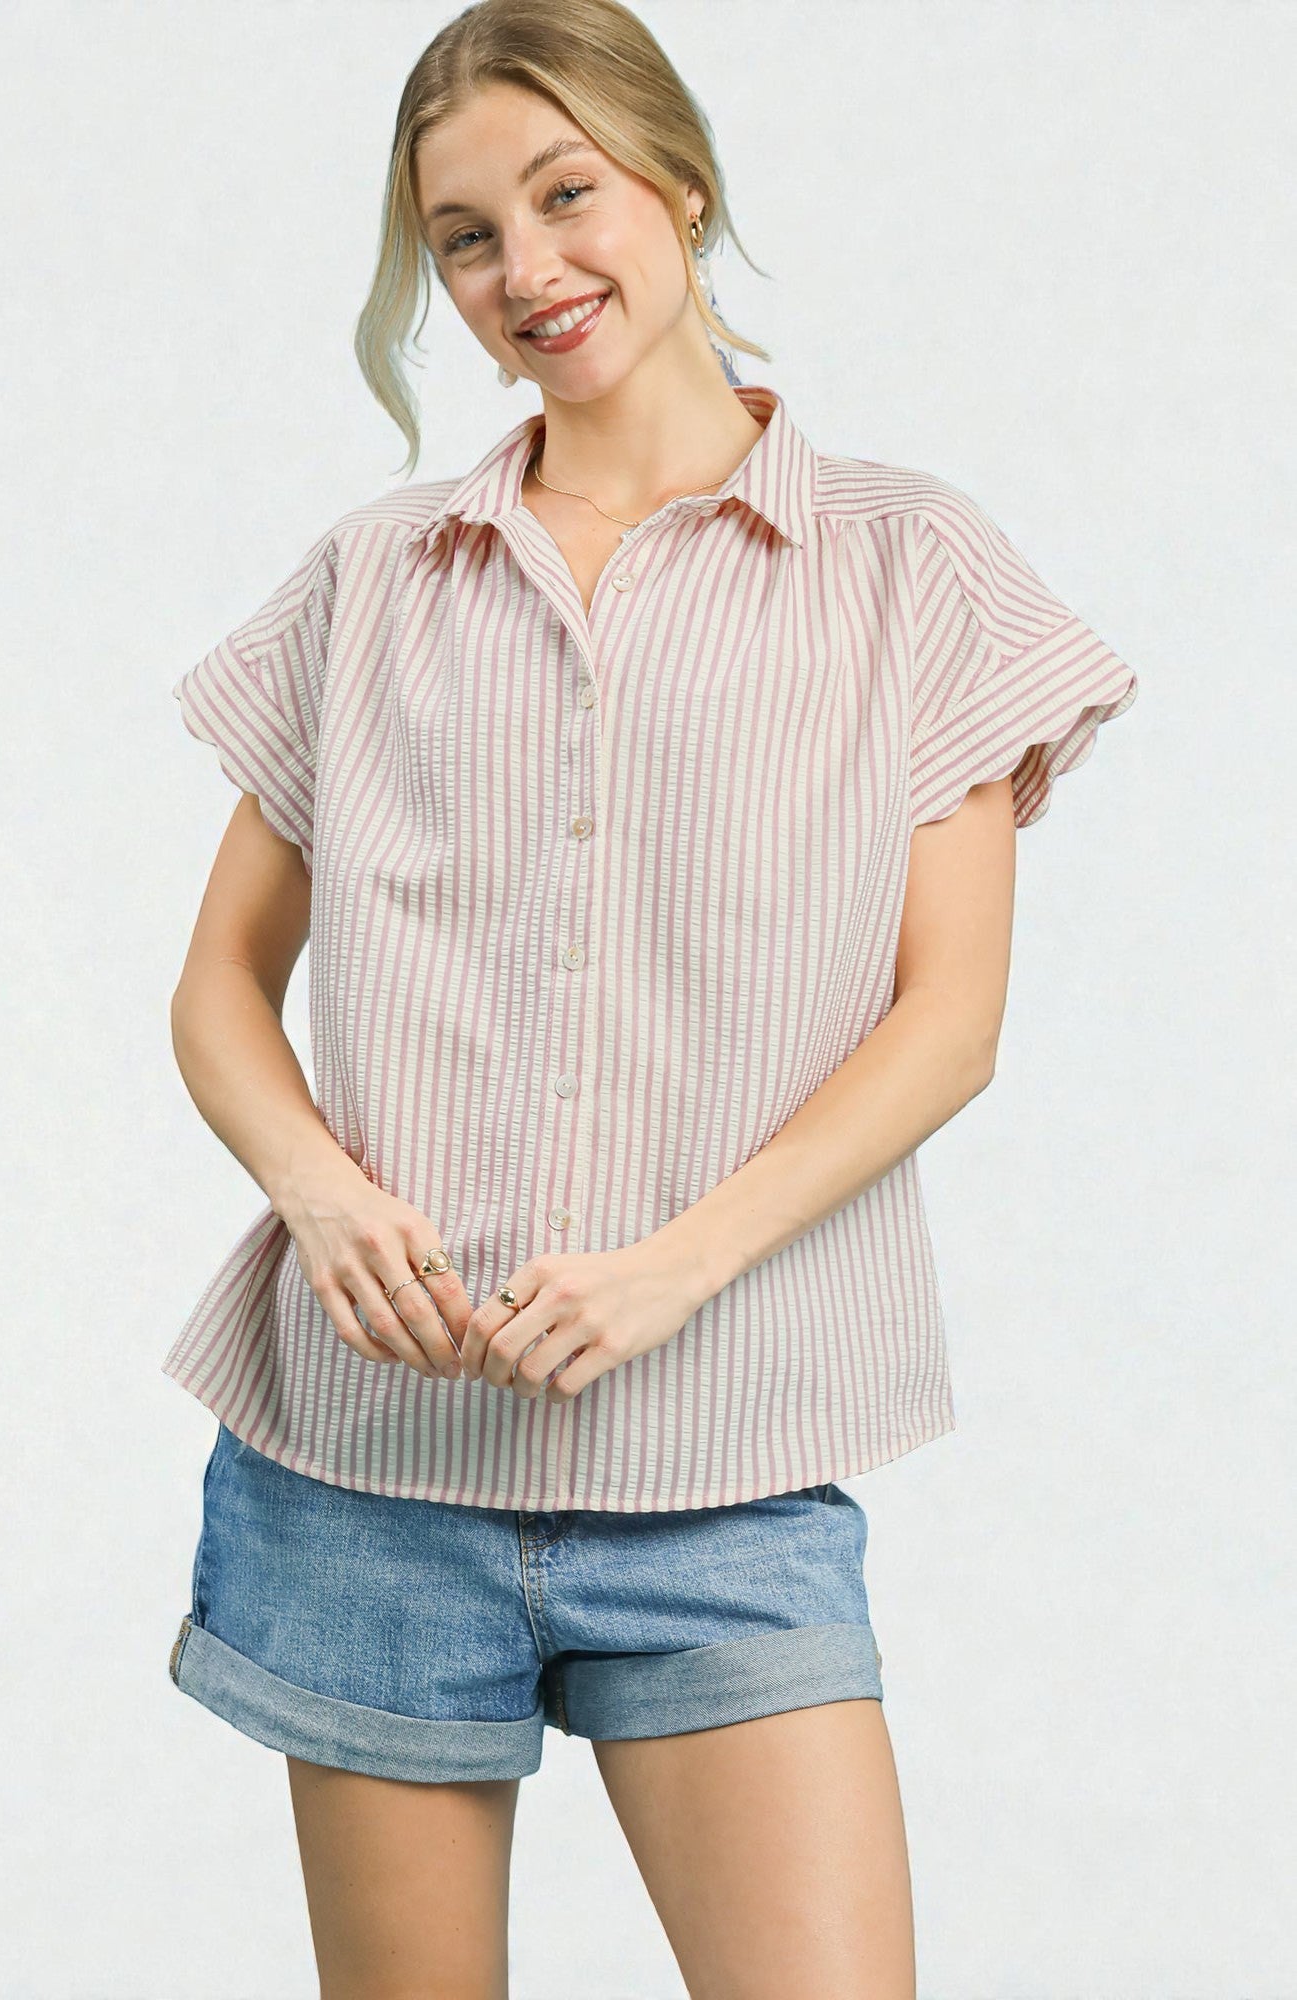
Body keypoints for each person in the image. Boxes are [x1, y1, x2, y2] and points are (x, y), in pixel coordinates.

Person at [163, 2, 1139, 1994]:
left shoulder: (912, 570)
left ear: (677, 184)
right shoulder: (372, 580)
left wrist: (670, 1270)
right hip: (370, 1475)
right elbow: (219, 988)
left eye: (564, 193)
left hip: (726, 1470)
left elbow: (947, 1021)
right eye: (462, 236)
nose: (523, 267)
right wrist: (322, 1197)